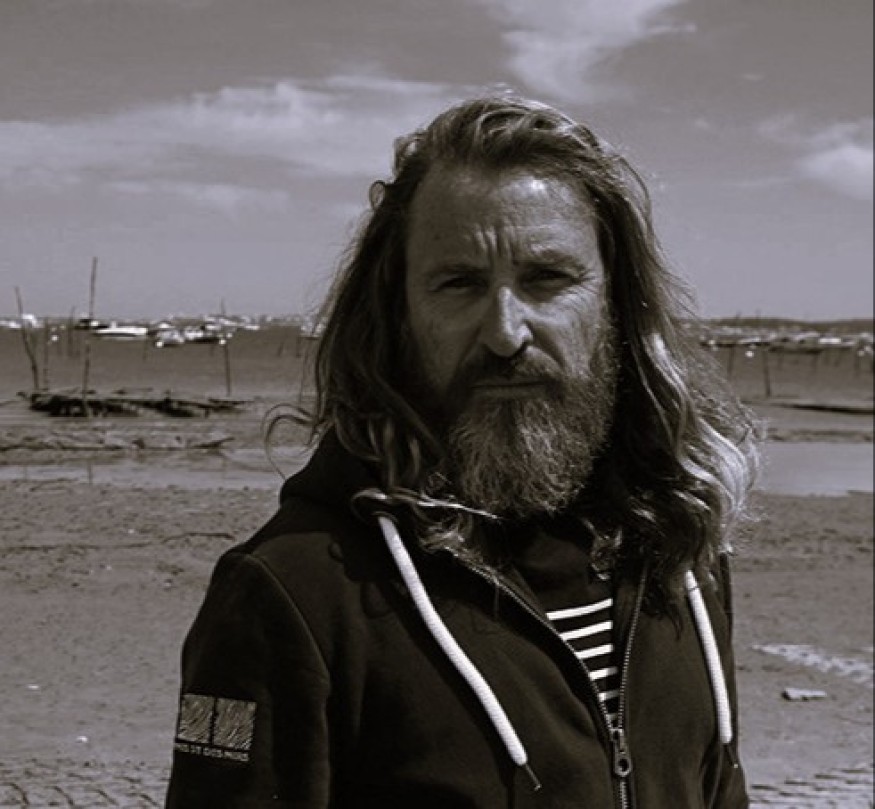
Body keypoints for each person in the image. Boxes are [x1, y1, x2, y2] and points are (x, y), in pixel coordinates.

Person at [165, 94, 760, 808]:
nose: (505, 332)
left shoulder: (679, 545)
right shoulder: (287, 593)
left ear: (616, 303)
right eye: (459, 283)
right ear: (398, 314)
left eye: (547, 278)